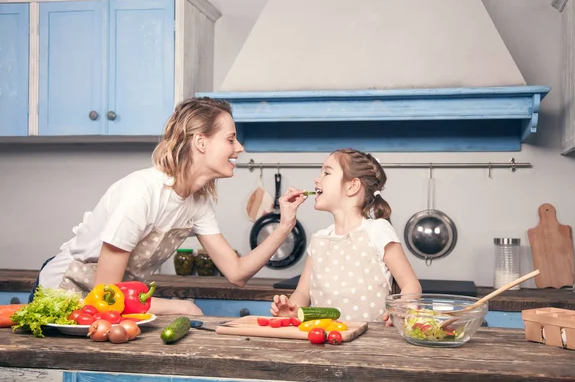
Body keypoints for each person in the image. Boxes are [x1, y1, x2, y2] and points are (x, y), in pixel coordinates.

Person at [33, 97, 307, 315]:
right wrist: (177, 306)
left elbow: (237, 273)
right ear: (201, 141)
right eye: (230, 138)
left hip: (115, 307)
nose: (239, 148)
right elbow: (106, 292)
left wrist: (284, 226)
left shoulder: (197, 203)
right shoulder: (142, 193)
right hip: (67, 295)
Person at [270, 148, 421, 325]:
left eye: (326, 172)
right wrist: (291, 309)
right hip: (325, 341)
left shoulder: (378, 230)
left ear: (352, 186)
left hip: (372, 344)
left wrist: (401, 307)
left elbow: (411, 284)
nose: (317, 179)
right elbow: (303, 293)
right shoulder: (319, 240)